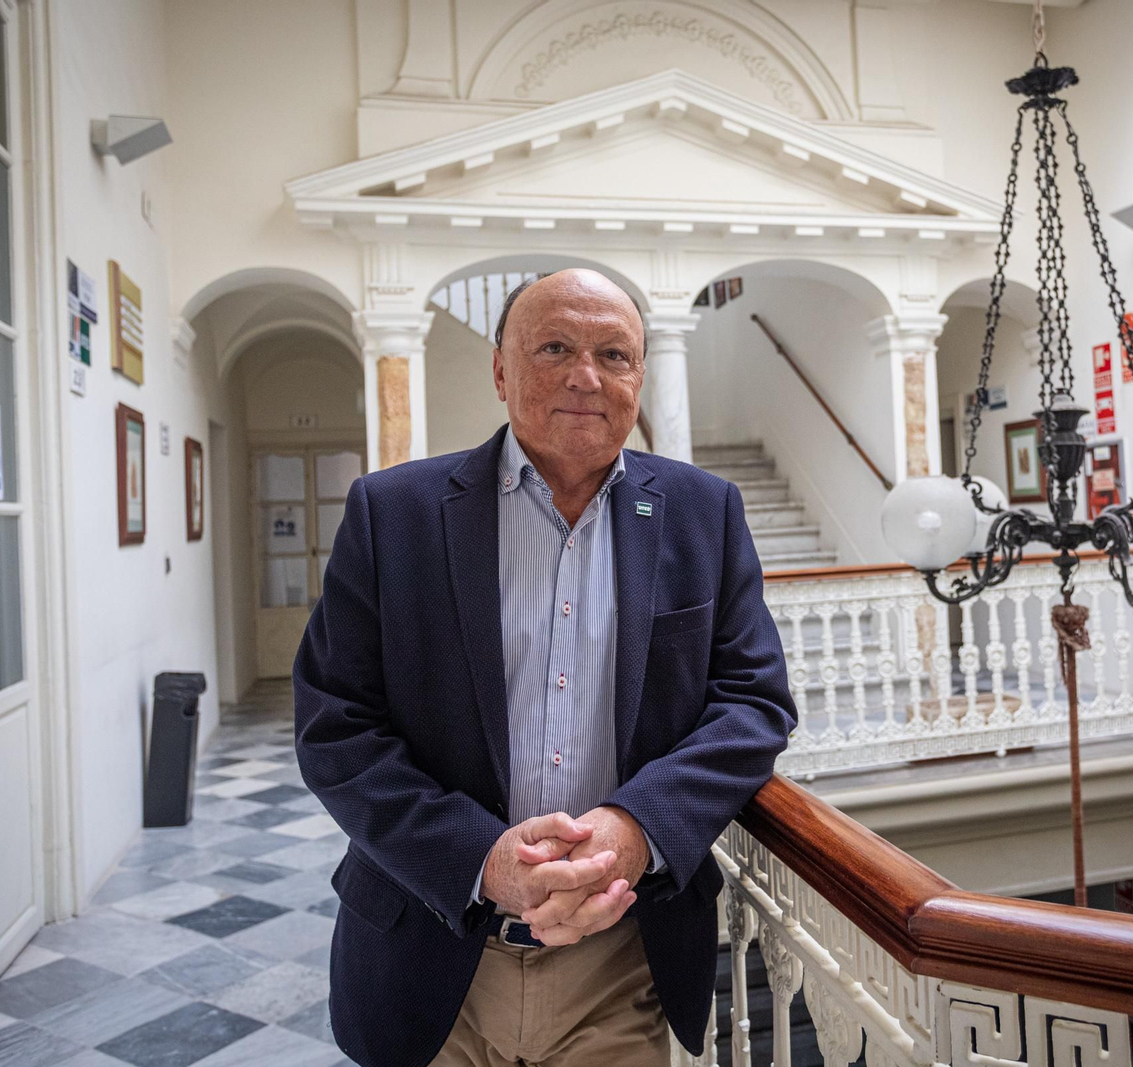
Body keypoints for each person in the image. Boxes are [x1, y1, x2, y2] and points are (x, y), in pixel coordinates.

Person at [293, 268, 797, 1067]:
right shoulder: (392, 515)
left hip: (620, 958)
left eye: (614, 353)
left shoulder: (706, 513)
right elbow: (334, 726)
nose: (585, 376)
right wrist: (481, 861)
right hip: (431, 951)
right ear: (500, 369)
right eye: (554, 347)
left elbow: (753, 704)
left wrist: (637, 829)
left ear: (641, 375)